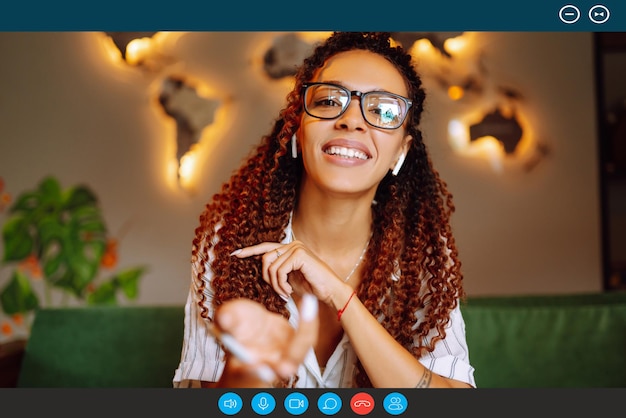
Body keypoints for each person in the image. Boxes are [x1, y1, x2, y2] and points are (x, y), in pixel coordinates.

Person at [173, 31, 476, 389]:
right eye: (330, 100)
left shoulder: (422, 255)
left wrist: (341, 297)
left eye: (383, 110)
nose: (352, 120)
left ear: (401, 151)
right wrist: (249, 369)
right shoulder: (230, 243)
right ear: (298, 130)